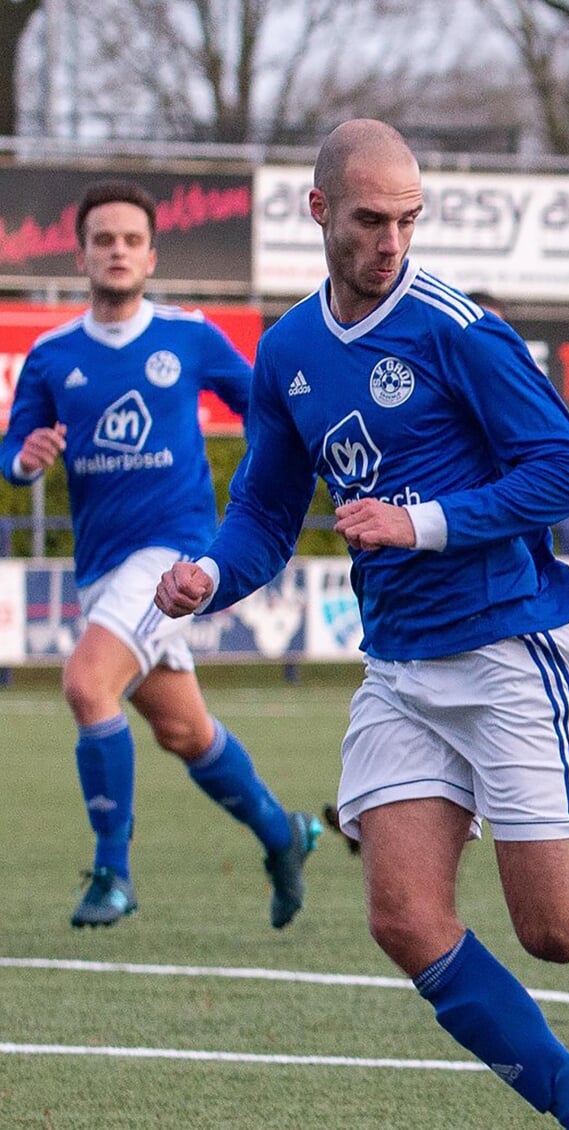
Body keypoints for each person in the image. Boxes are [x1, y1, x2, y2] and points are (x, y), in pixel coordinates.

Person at [153, 120, 569, 1130]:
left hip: (508, 645)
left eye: (407, 219)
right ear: (319, 212)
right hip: (398, 665)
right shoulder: (290, 351)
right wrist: (208, 575)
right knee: (404, 917)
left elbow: (565, 466)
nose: (391, 240)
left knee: (559, 932)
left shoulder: (457, 328)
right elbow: (264, 511)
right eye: (369, 220)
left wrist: (420, 522)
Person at [0, 179, 321, 930]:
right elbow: (15, 446)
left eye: (130, 240)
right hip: (102, 569)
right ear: (80, 255)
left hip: (171, 557)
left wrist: (262, 492)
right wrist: (24, 460)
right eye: (103, 239)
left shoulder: (190, 335)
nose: (117, 251)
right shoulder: (51, 356)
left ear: (152, 253)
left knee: (86, 685)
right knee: (184, 731)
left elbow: (265, 410)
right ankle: (286, 834)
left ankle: (114, 874)